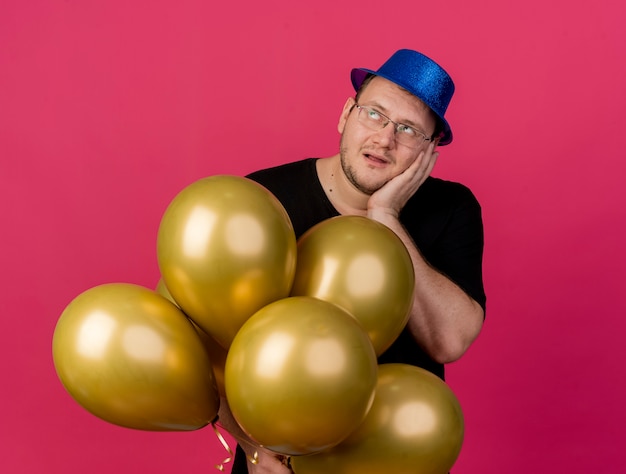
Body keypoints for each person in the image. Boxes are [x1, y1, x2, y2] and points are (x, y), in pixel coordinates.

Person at [220, 48, 486, 474]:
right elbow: (212, 341)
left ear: (430, 150)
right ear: (346, 114)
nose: (384, 139)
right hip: (272, 460)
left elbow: (449, 340)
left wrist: (385, 217)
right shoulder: (265, 200)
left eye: (408, 129)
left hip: (392, 455)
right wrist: (253, 446)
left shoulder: (453, 208)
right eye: (374, 115)